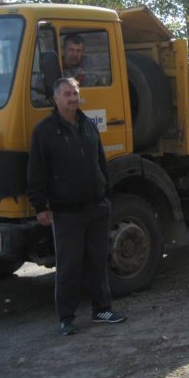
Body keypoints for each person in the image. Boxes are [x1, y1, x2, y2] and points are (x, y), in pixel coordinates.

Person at [27, 77, 125, 335]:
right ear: (55, 99)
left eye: (75, 93)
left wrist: (105, 193)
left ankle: (102, 309)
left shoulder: (87, 125)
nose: (72, 98)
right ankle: (66, 318)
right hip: (66, 211)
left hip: (96, 206)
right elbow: (37, 172)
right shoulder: (44, 131)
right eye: (67, 94)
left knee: (97, 261)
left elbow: (100, 161)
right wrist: (40, 206)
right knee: (69, 265)